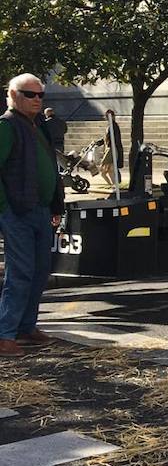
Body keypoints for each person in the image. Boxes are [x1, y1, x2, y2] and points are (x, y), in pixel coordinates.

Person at [0, 74, 65, 356]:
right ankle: (6, 335)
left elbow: (49, 166)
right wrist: (4, 207)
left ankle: (26, 327)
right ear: (13, 95)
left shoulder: (37, 125)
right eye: (30, 94)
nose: (37, 99)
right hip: (17, 212)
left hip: (39, 210)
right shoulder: (7, 126)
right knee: (21, 273)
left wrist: (55, 206)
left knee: (39, 271)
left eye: (41, 95)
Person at [99, 108, 124, 188]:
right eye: (107, 116)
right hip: (110, 149)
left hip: (112, 149)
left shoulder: (114, 126)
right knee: (110, 169)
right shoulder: (110, 126)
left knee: (107, 169)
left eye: (110, 116)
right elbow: (106, 138)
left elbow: (114, 139)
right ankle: (114, 185)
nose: (108, 117)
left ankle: (115, 185)